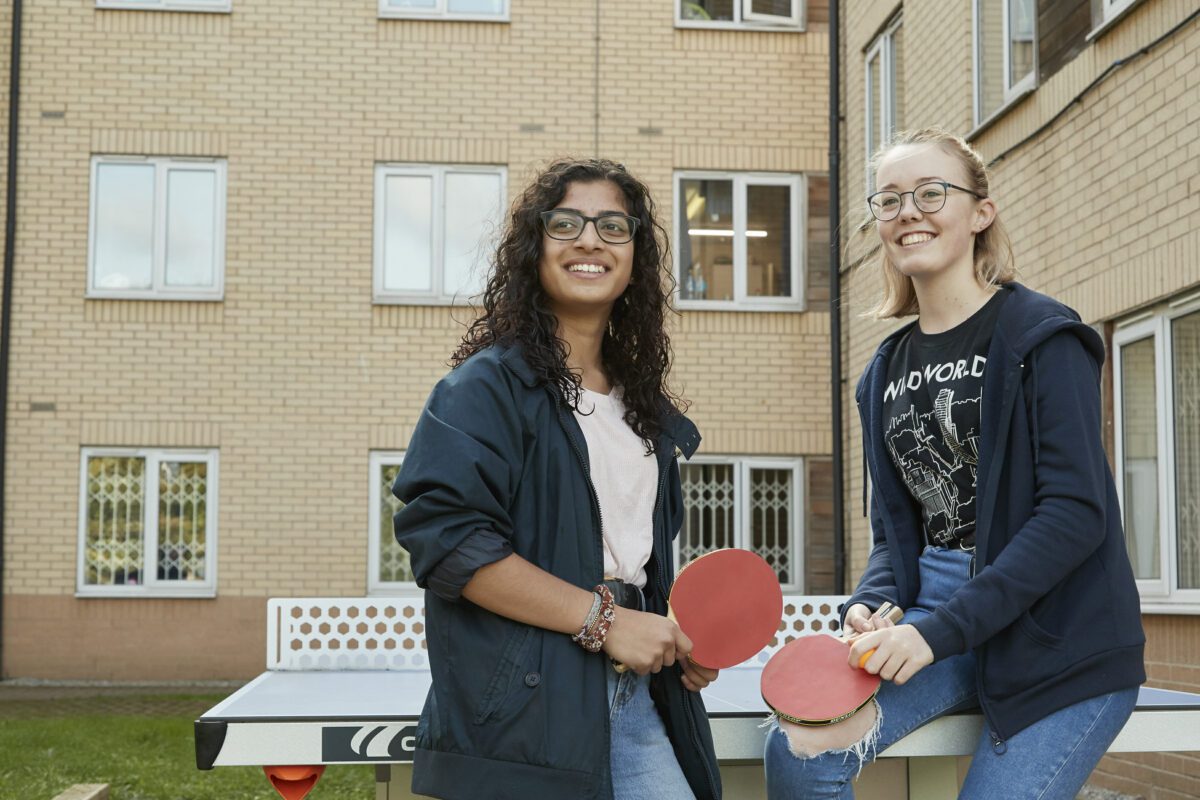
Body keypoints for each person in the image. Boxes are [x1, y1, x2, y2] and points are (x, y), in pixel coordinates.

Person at [764, 128, 1146, 799]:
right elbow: (896, 534)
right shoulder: (881, 372)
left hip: (1055, 637)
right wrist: (873, 602)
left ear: (980, 213)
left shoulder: (1042, 338)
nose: (909, 211)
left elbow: (1075, 515)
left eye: (931, 193)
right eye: (890, 200)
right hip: (935, 626)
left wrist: (938, 630)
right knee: (798, 749)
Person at [392, 157, 722, 800]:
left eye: (613, 227)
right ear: (534, 250)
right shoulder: (485, 389)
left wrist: (668, 637)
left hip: (634, 698)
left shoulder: (642, 410)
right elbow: (450, 543)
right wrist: (606, 623)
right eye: (566, 223)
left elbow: (631, 564)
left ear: (635, 261)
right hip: (525, 707)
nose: (590, 240)